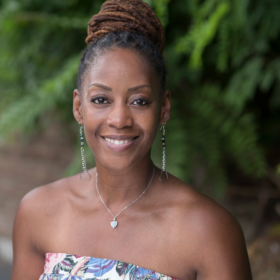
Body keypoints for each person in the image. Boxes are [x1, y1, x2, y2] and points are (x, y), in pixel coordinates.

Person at [11, 0, 252, 279]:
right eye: (101, 99)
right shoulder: (38, 212)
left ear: (163, 108)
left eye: (139, 101)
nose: (119, 119)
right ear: (79, 108)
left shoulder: (209, 231)